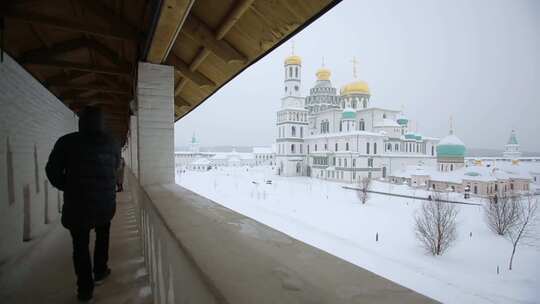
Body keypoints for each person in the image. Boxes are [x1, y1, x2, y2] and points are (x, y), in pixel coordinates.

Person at [46, 106, 120, 302]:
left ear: (81, 121)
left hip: (77, 205)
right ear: (101, 122)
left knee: (80, 246)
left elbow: (52, 171)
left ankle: (85, 290)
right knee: (103, 236)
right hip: (105, 203)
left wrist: (68, 186)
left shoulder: (67, 142)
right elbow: (115, 167)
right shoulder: (112, 143)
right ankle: (100, 270)